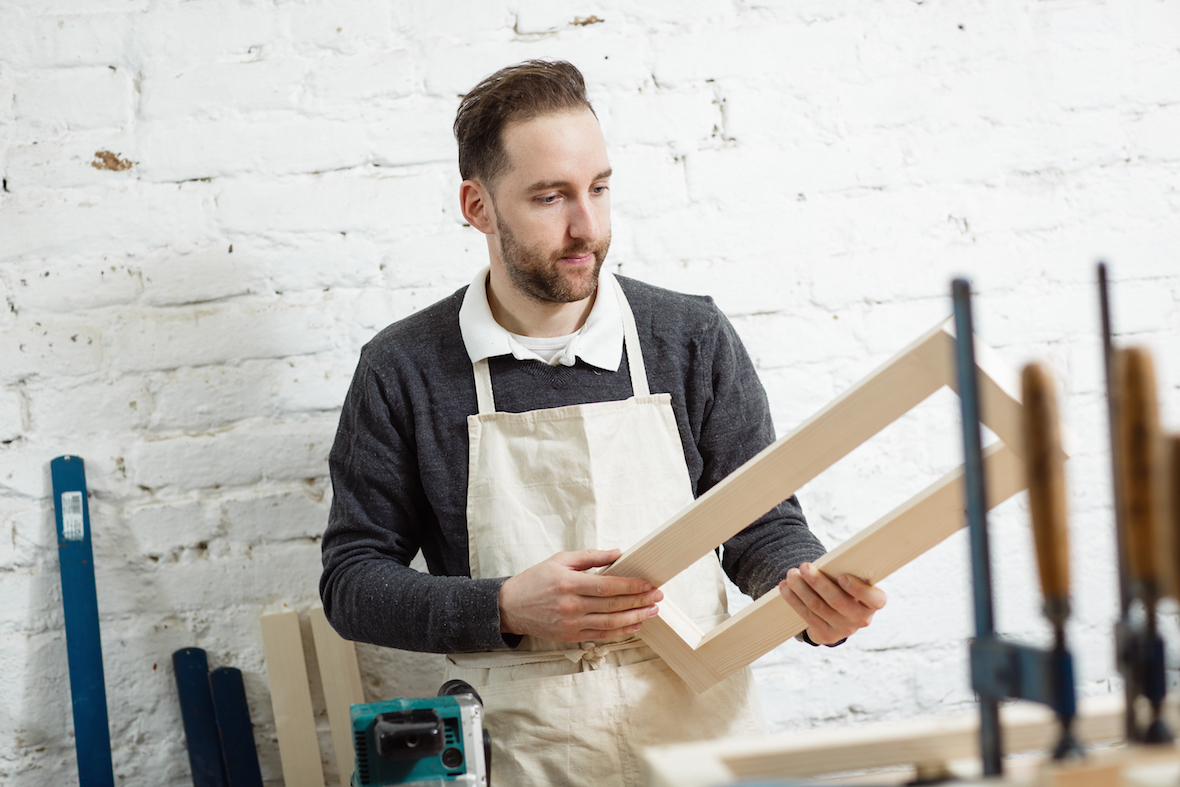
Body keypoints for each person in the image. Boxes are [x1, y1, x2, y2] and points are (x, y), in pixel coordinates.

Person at [320, 59, 886, 785]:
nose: (587, 226)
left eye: (599, 188)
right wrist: (501, 604)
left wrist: (807, 599)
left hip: (700, 738)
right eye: (551, 197)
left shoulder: (689, 337)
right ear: (478, 206)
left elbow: (761, 526)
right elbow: (352, 581)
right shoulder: (404, 369)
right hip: (529, 752)